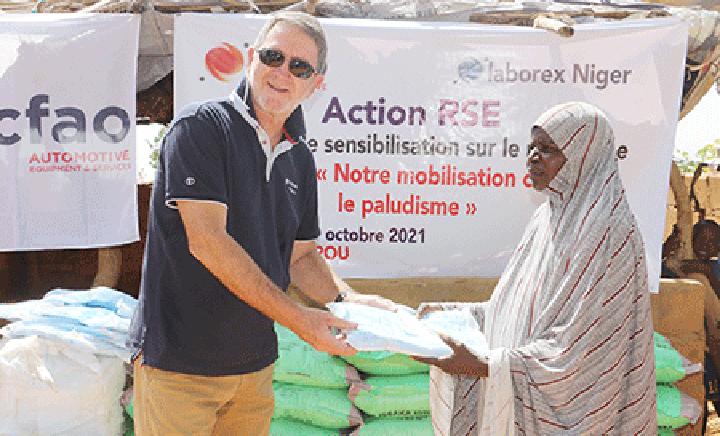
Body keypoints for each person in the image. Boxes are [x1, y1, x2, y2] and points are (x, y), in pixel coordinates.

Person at [127, 11, 392, 435]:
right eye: (273, 56)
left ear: (316, 84)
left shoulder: (299, 158)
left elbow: (300, 258)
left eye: (299, 67)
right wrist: (300, 320)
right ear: (251, 58)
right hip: (180, 365)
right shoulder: (201, 128)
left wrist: (348, 301)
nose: (282, 72)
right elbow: (208, 241)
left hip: (253, 370)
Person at [415, 102, 656, 435]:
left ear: (584, 156)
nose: (532, 158)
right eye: (531, 148)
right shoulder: (547, 217)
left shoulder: (607, 230)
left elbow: (579, 353)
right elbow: (517, 310)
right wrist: (455, 316)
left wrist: (483, 364)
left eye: (549, 149)